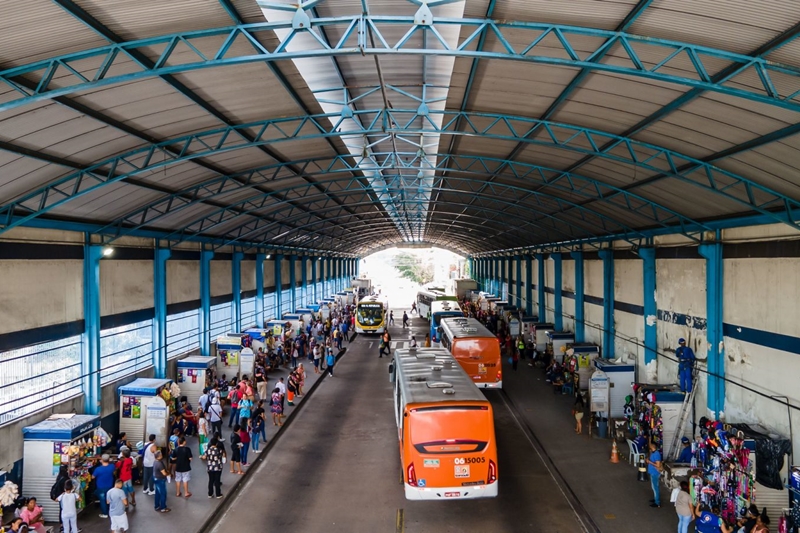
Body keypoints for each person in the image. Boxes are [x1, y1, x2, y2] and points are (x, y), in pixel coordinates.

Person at [92, 454, 116, 518]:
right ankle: (111, 511)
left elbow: (93, 477)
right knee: (108, 498)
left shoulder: (98, 469)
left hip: (100, 487)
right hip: (110, 486)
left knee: (102, 500)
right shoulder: (112, 466)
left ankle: (105, 513)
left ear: (101, 460)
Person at [647, 441, 663, 508]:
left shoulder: (656, 454)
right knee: (653, 487)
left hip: (655, 473)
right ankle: (655, 498)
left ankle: (657, 502)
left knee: (655, 487)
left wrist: (649, 462)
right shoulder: (653, 453)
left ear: (653, 446)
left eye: (650, 445)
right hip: (652, 472)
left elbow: (658, 465)